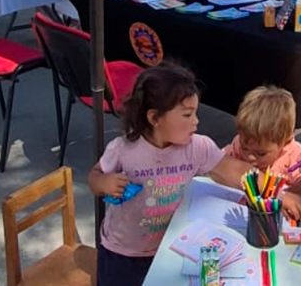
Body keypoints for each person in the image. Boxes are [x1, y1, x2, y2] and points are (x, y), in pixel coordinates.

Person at [88, 63, 252, 286]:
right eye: (187, 115)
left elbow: (233, 171)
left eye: (195, 113)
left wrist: (281, 190)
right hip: (123, 254)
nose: (196, 121)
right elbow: (94, 178)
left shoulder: (197, 147)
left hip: (169, 249)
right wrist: (104, 182)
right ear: (155, 118)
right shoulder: (123, 149)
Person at [223, 86, 301, 219]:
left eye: (261, 153)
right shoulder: (238, 143)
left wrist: (290, 197)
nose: (250, 157)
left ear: (285, 141)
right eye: (245, 148)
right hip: (239, 217)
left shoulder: (293, 154)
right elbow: (218, 162)